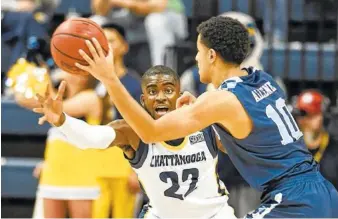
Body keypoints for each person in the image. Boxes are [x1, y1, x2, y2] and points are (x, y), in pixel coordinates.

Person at [76, 16, 338, 218]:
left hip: (295, 199)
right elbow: (245, 138)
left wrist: (110, 79)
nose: (197, 58)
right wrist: (206, 115)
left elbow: (150, 133)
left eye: (199, 52)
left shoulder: (220, 100)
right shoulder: (261, 80)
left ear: (212, 55)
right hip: (320, 191)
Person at [33, 65, 236, 219]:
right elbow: (91, 137)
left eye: (168, 90)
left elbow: (243, 145)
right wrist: (62, 120)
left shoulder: (203, 123)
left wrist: (219, 111)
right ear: (142, 100)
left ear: (179, 95)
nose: (160, 98)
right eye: (152, 91)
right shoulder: (131, 132)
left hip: (213, 214)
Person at [15, 69, 107, 218]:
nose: (69, 72)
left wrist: (47, 77)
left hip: (81, 174)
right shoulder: (58, 97)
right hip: (53, 173)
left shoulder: (91, 97)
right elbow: (22, 98)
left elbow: (57, 109)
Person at [93, 22, 143, 218]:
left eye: (111, 41)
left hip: (123, 164)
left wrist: (137, 170)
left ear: (124, 46)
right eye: (101, 41)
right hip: (93, 163)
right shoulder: (88, 81)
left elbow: (143, 128)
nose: (106, 46)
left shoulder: (134, 84)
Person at [293, 90, 338, 189]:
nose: (307, 120)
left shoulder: (335, 150)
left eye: (313, 115)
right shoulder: (289, 150)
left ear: (323, 116)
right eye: (304, 115)